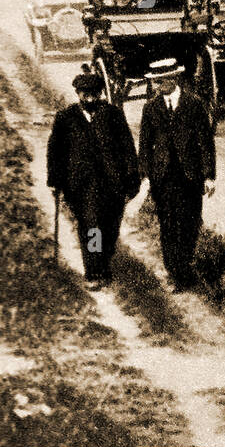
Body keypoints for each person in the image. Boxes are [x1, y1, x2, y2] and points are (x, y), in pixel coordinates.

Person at [47, 69, 141, 290]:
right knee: (91, 227)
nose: (89, 99)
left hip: (112, 185)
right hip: (81, 186)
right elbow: (55, 152)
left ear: (100, 94)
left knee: (110, 229)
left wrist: (132, 179)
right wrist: (55, 182)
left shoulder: (113, 115)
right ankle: (93, 271)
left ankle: (104, 263)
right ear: (78, 94)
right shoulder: (66, 118)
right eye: (84, 94)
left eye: (93, 94)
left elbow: (127, 148)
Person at [138, 59, 216, 292]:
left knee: (190, 224)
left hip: (190, 177)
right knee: (168, 226)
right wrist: (144, 174)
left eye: (162, 80)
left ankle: (185, 268)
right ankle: (176, 274)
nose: (158, 85)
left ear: (174, 78)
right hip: (163, 179)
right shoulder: (150, 108)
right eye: (155, 81)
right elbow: (144, 143)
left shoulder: (194, 104)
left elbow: (206, 142)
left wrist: (209, 176)